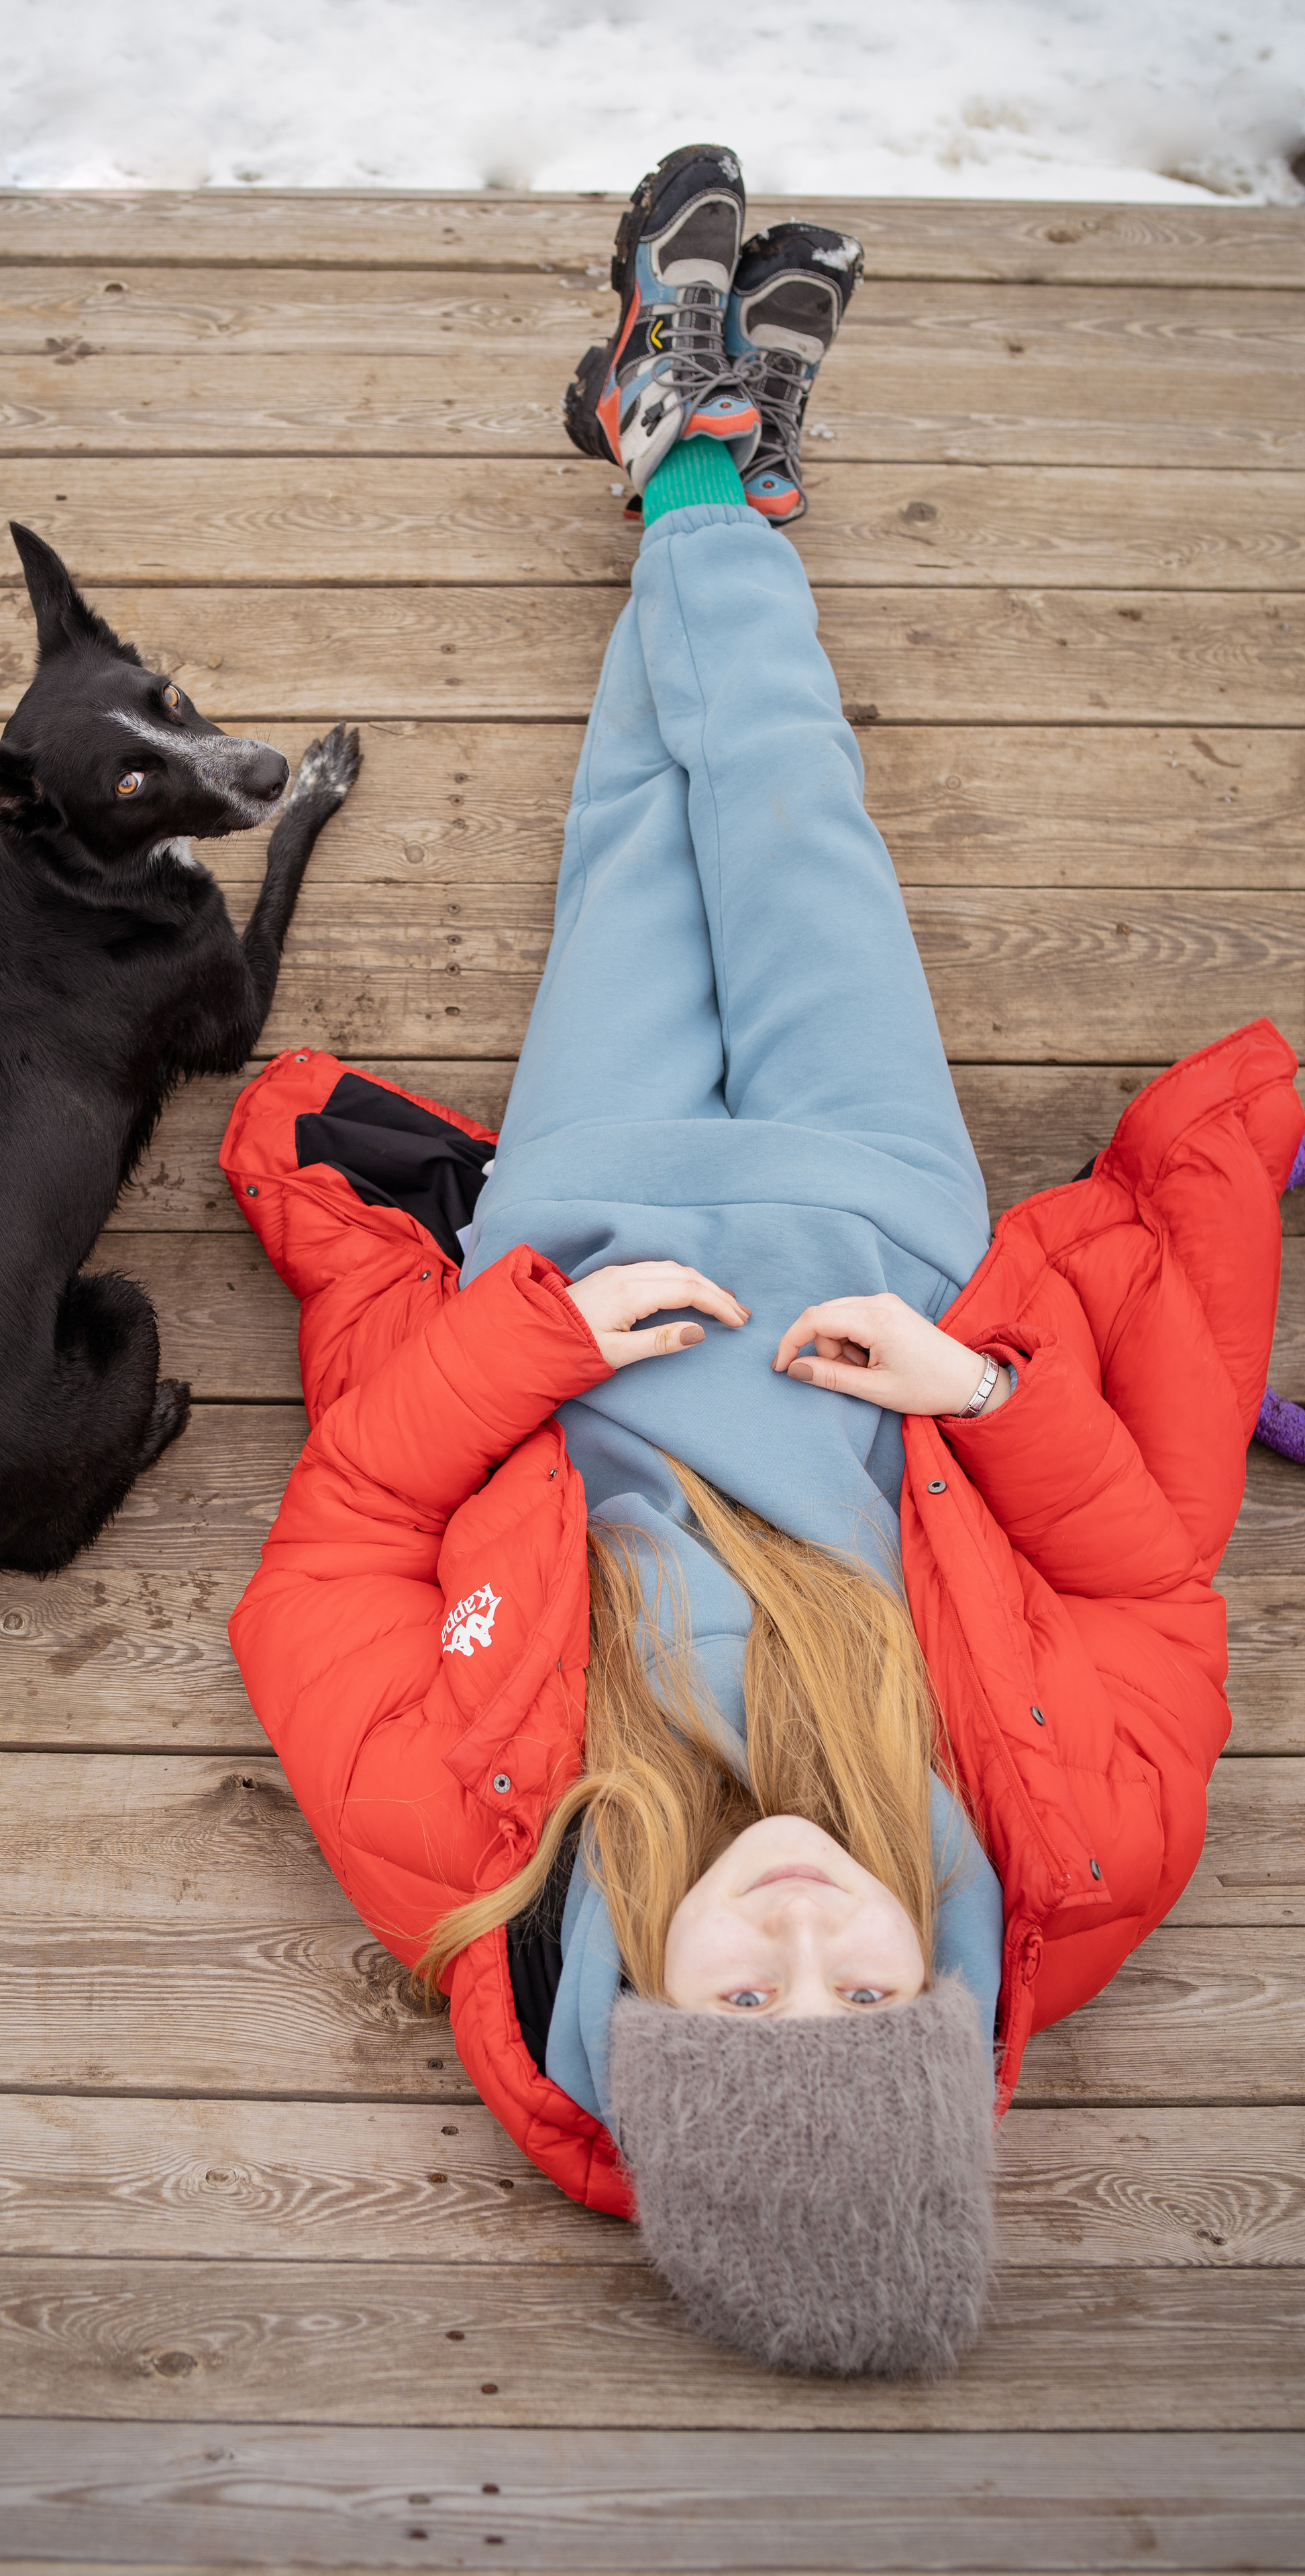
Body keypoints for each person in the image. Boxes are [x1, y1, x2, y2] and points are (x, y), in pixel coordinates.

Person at [219, 146, 1304, 2379]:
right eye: (871, 1991)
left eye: (745, 2000)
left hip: (591, 1232)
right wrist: (982, 1397)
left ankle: (695, 453)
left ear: (641, 2025)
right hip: (872, 1216)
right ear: (950, 2003)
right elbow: (1146, 1592)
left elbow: (327, 1555)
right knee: (789, 815)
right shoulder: (1083, 1853)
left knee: (646, 815)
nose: (810, 1931)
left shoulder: (466, 1864)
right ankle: (696, 455)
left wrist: (525, 1347)